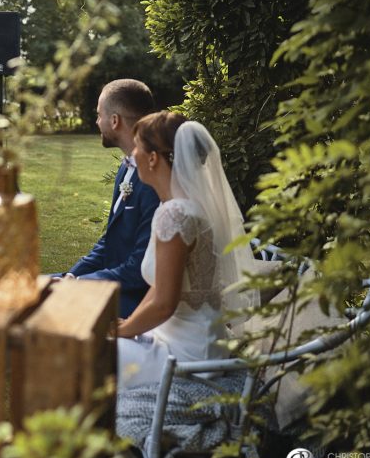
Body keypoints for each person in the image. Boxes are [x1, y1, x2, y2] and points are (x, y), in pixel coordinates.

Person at [115, 111, 257, 389]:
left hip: (186, 353)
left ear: (153, 158)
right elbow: (161, 287)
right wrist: (130, 326)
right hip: (197, 339)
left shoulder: (175, 214)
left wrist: (122, 331)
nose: (132, 155)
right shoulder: (187, 207)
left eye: (136, 148)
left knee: (89, 353)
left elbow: (164, 304)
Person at [58, 79, 160, 319]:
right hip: (109, 282)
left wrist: (81, 285)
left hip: (134, 299)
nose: (96, 122)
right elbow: (109, 241)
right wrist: (73, 276)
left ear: (114, 121)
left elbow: (139, 270)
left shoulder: (155, 183)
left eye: (98, 115)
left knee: (40, 305)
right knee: (30, 288)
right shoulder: (126, 170)